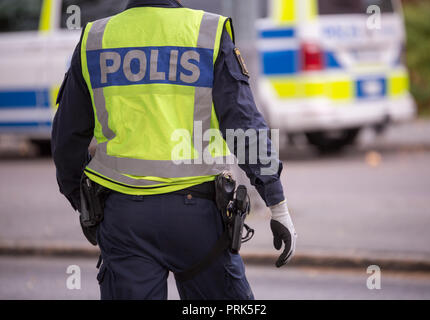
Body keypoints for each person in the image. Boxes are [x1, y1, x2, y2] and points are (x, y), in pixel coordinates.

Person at [51, 0, 297, 300]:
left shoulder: (96, 38)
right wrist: (276, 203)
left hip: (125, 219)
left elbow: (66, 140)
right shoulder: (207, 31)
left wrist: (84, 206)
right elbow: (244, 125)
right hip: (199, 219)